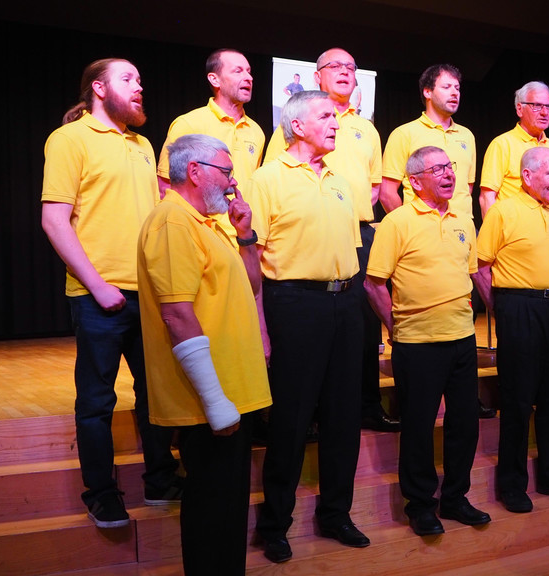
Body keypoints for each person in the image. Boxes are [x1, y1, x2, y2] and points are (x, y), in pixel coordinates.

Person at [41, 58, 180, 530]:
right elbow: (54, 221)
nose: (139, 86)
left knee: (156, 394)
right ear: (99, 89)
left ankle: (160, 481)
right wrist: (98, 286)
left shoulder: (142, 145)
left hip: (149, 292)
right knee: (97, 401)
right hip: (98, 295)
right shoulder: (70, 139)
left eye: (140, 79)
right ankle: (101, 493)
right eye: (128, 79)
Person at [137, 134, 272, 575]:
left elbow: (253, 284)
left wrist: (245, 234)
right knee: (213, 512)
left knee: (228, 511)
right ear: (193, 171)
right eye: (226, 172)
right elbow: (177, 314)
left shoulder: (209, 223)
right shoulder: (172, 222)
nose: (233, 183)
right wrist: (215, 401)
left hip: (234, 391)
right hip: (209, 402)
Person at [249, 90, 369, 563]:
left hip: (347, 302)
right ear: (297, 125)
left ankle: (336, 514)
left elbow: (351, 247)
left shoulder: (341, 180)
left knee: (344, 416)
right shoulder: (267, 178)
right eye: (326, 116)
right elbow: (252, 257)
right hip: (295, 303)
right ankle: (275, 525)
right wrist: (261, 326)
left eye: (336, 117)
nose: (336, 124)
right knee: (292, 418)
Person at [365, 146, 491, 536]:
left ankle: (455, 498)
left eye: (450, 167)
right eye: (438, 169)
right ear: (415, 181)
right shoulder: (397, 222)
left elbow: (470, 274)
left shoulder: (463, 220)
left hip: (462, 340)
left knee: (464, 424)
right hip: (417, 344)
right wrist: (397, 327)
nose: (449, 174)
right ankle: (420, 506)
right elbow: (374, 284)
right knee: (418, 428)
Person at [266, 47, 394, 433]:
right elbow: (278, 176)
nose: (345, 71)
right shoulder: (294, 124)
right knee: (313, 331)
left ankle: (366, 405)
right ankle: (307, 413)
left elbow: (375, 186)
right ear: (316, 76)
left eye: (351, 67)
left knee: (363, 326)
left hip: (359, 232)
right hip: (311, 234)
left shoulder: (367, 128)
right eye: (335, 66)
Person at [474, 147, 549, 513]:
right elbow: (480, 266)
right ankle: (512, 485)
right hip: (519, 307)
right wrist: (501, 309)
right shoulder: (503, 211)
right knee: (518, 399)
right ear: (527, 176)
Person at [157, 49, 265, 208]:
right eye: (238, 71)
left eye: (249, 72)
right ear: (215, 80)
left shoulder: (256, 131)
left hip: (243, 223)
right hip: (200, 224)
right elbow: (166, 187)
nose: (249, 78)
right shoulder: (189, 123)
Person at [380, 64, 476, 219]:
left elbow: (466, 188)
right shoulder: (404, 133)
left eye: (457, 88)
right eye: (446, 87)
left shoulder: (467, 135)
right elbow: (387, 192)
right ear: (427, 92)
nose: (454, 93)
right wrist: (408, 224)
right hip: (420, 227)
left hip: (461, 226)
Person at [479, 80, 549, 217]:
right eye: (537, 106)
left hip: (548, 226)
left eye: (548, 106)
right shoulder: (502, 144)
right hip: (513, 226)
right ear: (519, 109)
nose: (544, 112)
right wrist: (494, 228)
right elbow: (487, 197)